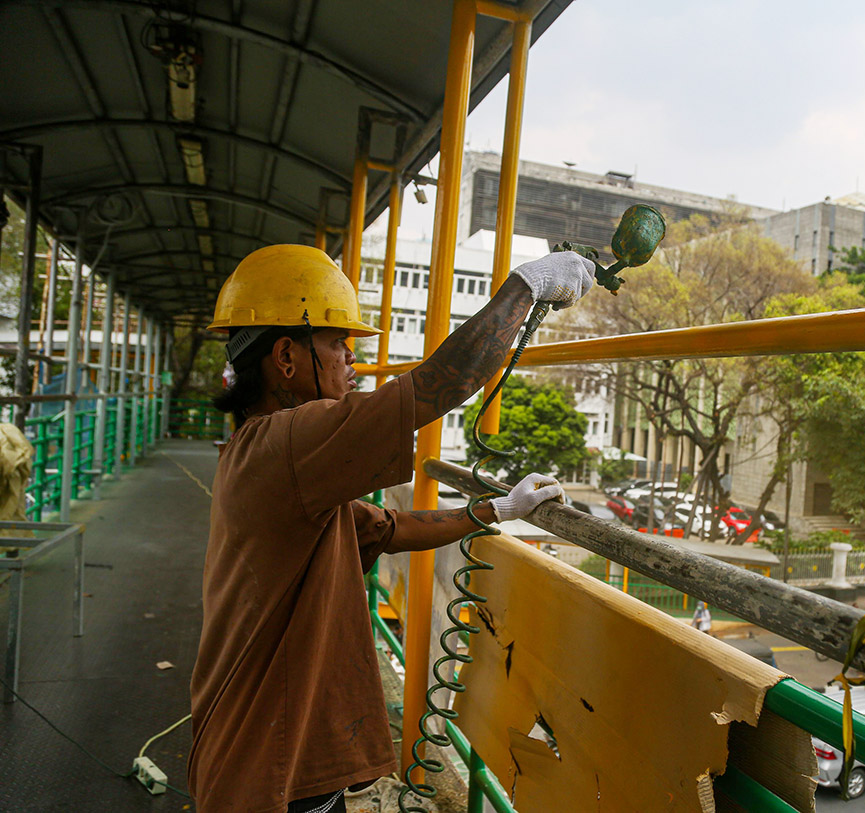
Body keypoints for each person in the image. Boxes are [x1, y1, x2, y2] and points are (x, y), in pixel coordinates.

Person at [187, 244, 596, 813]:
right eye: (338, 344)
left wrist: (496, 510)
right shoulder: (288, 441)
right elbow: (432, 388)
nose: (352, 360)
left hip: (269, 747)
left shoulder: (268, 458)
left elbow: (388, 528)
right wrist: (524, 287)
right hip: (268, 760)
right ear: (286, 356)